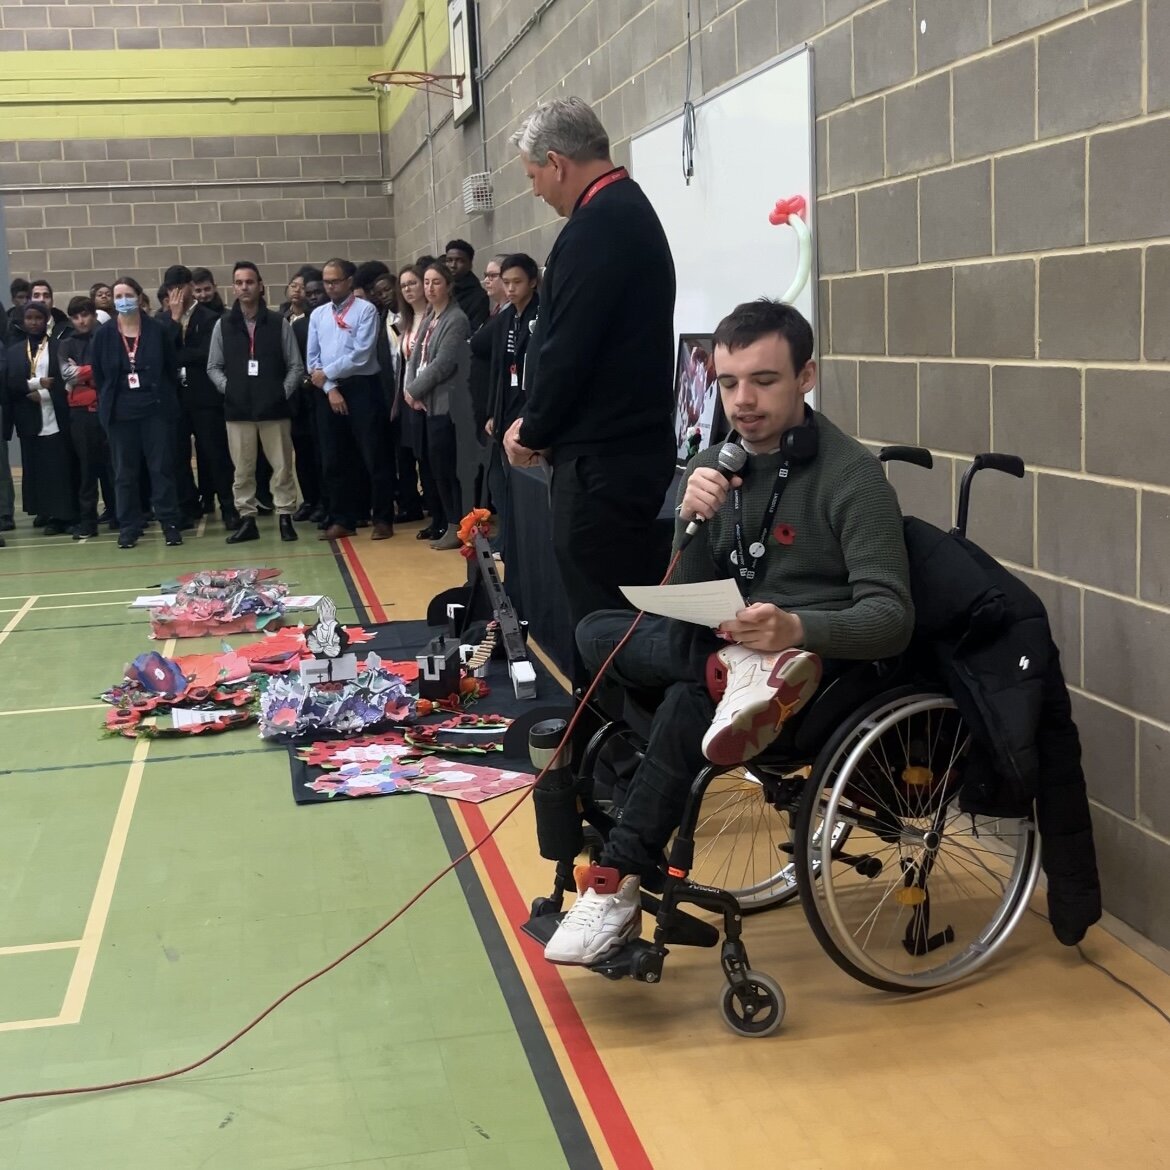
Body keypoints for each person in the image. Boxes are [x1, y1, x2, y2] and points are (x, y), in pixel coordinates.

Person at [543, 300, 916, 966]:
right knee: (597, 631)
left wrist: (796, 624)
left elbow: (891, 618)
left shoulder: (852, 477)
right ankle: (729, 677)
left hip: (814, 669)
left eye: (763, 381)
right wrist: (688, 518)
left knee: (689, 698)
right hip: (723, 646)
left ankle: (617, 878)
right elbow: (689, 588)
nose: (742, 400)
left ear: (806, 376)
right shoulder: (715, 464)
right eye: (728, 382)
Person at [503, 97, 679, 680]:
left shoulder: (599, 224)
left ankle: (612, 755)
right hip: (616, 455)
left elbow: (568, 348)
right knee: (610, 617)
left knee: (602, 625)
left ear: (556, 162)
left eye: (532, 176)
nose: (534, 191)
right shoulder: (621, 212)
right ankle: (612, 749)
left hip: (604, 465)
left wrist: (534, 425)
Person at [207, 261, 304, 544]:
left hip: (274, 410)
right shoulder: (223, 325)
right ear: (233, 288)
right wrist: (231, 390)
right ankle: (247, 519)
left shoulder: (278, 323)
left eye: (249, 282)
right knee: (242, 470)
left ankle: (286, 516)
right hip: (238, 412)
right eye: (239, 282)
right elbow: (213, 366)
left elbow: (296, 367)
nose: (244, 287)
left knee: (283, 467)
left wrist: (279, 393)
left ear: (260, 286)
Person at [91, 276, 185, 549]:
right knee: (124, 473)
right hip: (120, 415)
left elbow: (170, 367)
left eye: (127, 295)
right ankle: (129, 526)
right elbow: (99, 374)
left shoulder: (156, 330)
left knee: (161, 469)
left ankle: (169, 523)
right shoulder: (104, 335)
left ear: (139, 297)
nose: (122, 300)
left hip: (155, 411)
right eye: (117, 296)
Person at [306, 257, 395, 541]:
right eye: (326, 281)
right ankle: (342, 518)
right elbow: (312, 358)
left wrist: (328, 373)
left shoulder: (365, 310)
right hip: (328, 391)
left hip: (361, 387)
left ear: (349, 282)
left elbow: (362, 353)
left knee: (373, 454)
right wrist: (330, 387)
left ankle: (382, 517)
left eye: (335, 281)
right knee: (333, 458)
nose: (329, 286)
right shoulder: (318, 315)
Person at [161, 264, 238, 530]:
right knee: (177, 456)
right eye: (171, 289)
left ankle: (229, 507)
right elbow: (162, 355)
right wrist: (174, 319)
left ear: (191, 288)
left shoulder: (209, 318)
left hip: (205, 398)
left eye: (180, 288)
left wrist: (178, 356)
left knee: (215, 454)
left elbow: (207, 354)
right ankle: (187, 507)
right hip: (175, 399)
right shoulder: (162, 321)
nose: (176, 295)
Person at [404, 262, 471, 551]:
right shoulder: (431, 315)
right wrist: (409, 388)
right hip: (425, 402)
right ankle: (445, 521)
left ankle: (458, 525)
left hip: (446, 404)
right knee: (432, 466)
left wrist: (415, 389)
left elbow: (444, 363)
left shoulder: (456, 319)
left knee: (446, 467)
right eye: (427, 282)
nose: (430, 288)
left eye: (436, 283)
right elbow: (414, 355)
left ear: (448, 285)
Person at [481, 253, 539, 552]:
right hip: (504, 404)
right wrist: (492, 411)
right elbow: (497, 369)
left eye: (517, 282)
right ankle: (506, 538)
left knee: (522, 479)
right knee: (498, 478)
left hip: (527, 405)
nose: (511, 288)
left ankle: (521, 542)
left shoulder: (541, 315)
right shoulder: (505, 317)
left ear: (533, 281)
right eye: (507, 283)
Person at [3, 301, 75, 535]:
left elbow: (64, 378)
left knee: (59, 466)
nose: (34, 323)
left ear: (46, 321)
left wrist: (44, 392)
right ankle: (45, 511)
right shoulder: (15, 350)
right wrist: (32, 385)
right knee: (37, 468)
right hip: (29, 416)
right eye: (29, 318)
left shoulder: (59, 346)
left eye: (38, 318)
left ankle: (63, 514)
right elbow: (10, 382)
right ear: (23, 321)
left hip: (55, 413)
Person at [58, 297, 115, 538]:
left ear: (93, 315)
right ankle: (88, 521)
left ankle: (118, 515)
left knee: (113, 468)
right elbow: (67, 375)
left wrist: (84, 372)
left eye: (85, 314)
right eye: (76, 316)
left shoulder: (106, 338)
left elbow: (110, 369)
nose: (81, 320)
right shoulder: (66, 345)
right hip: (81, 415)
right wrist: (92, 371)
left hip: (108, 409)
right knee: (87, 469)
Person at [290, 269, 326, 523]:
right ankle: (310, 499)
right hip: (301, 398)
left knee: (324, 453)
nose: (312, 297)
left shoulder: (332, 321)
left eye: (317, 292)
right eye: (308, 293)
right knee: (303, 454)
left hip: (326, 392)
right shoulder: (297, 325)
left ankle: (326, 502)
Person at [394, 264, 429, 527]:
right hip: (408, 398)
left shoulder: (433, 316)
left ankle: (441, 515)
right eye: (403, 285)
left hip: (429, 397)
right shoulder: (404, 322)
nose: (408, 289)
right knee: (417, 456)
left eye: (413, 283)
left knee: (432, 459)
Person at [444, 239, 490, 330]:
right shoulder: (441, 290)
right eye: (449, 260)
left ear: (470, 264)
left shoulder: (479, 297)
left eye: (459, 260)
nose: (453, 265)